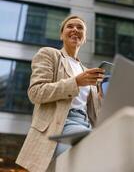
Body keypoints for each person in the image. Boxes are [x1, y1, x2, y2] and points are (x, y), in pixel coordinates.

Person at [16, 15, 104, 172]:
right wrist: (76, 82)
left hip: (86, 125)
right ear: (61, 34)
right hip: (61, 125)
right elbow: (36, 92)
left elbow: (96, 113)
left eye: (80, 27)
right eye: (70, 26)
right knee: (93, 153)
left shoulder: (87, 72)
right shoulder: (49, 54)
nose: (75, 29)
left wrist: (103, 99)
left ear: (84, 38)